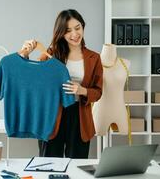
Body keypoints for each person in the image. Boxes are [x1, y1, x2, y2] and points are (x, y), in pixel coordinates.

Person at [18, 9, 103, 158]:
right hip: (51, 115)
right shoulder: (49, 55)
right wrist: (24, 53)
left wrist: (82, 90)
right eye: (68, 30)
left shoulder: (94, 58)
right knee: (49, 165)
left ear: (83, 26)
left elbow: (98, 92)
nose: (74, 34)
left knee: (76, 167)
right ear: (61, 33)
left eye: (77, 28)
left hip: (79, 117)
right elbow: (30, 81)